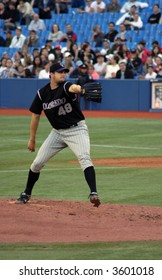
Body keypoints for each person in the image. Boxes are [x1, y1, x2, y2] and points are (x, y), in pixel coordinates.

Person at [16, 62, 101, 207]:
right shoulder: (42, 94)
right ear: (51, 75)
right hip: (57, 133)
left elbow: (74, 88)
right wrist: (32, 139)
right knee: (37, 163)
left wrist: (80, 89)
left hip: (76, 130)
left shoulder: (66, 86)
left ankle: (93, 193)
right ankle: (26, 193)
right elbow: (35, 115)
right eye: (60, 72)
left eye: (65, 72)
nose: (63, 74)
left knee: (84, 158)